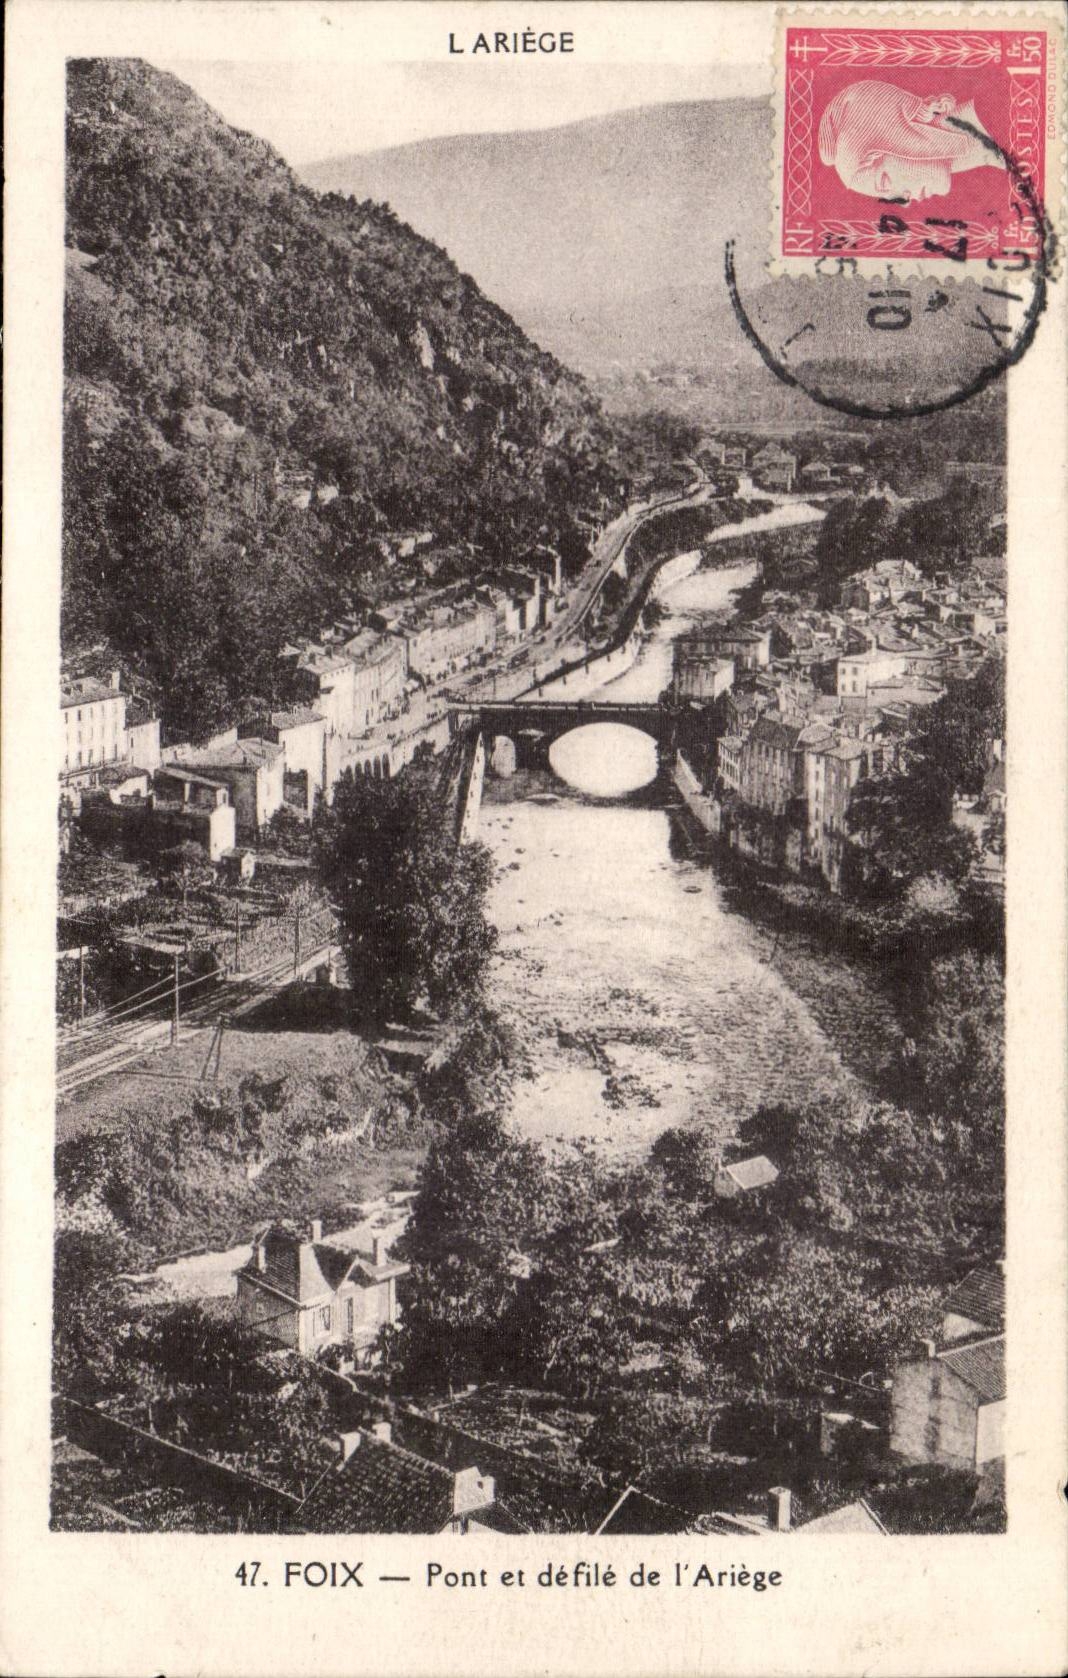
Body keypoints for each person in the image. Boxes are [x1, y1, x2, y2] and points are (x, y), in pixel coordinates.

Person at [817, 79, 1006, 203]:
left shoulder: (1003, 107)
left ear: (900, 135)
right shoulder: (999, 143)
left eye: (884, 181)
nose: (903, 200)